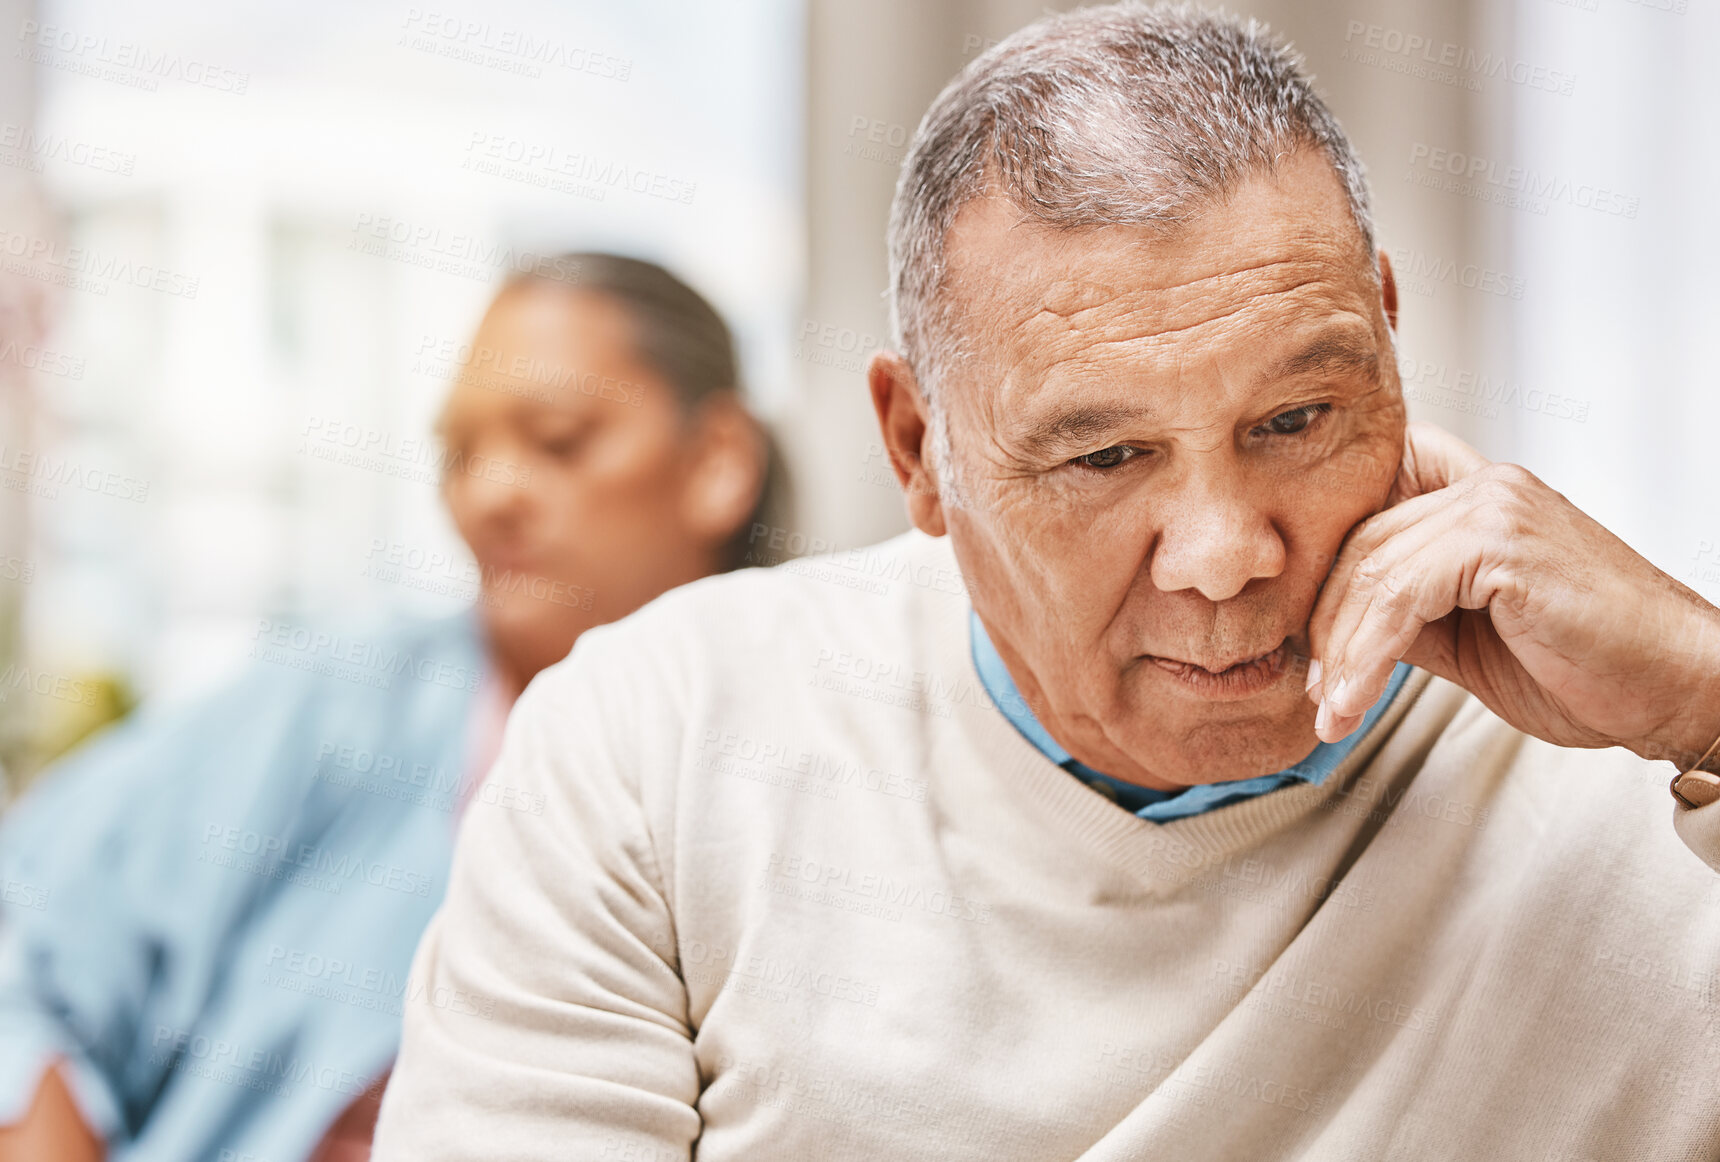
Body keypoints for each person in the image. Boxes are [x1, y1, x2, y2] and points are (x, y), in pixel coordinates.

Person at [372, 6, 1720, 1161]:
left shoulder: (1636, 738)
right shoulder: (656, 742)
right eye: (1106, 454)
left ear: (1386, 328)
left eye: (1299, 418)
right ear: (920, 451)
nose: (1225, 551)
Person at [0, 254, 783, 1161]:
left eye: (559, 439)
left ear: (719, 462)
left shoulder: (808, 772)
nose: (488, 495)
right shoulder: (341, 707)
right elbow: (25, 928)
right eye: (459, 455)